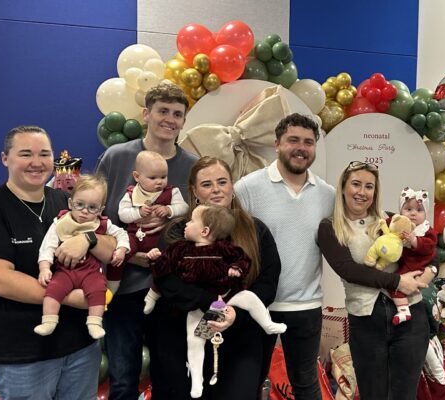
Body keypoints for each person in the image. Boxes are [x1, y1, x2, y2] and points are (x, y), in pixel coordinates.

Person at [0, 125, 116, 399]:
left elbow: (113, 246)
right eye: (25, 154)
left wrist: (89, 239)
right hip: (22, 352)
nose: (36, 162)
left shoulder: (68, 203)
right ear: (5, 158)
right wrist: (67, 297)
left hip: (79, 346)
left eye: (44, 154)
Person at [146, 156, 282, 399]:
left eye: (222, 182)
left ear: (232, 186)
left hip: (241, 336)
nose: (216, 189)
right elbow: (167, 280)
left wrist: (233, 315)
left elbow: (268, 282)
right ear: (195, 192)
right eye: (207, 184)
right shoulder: (180, 230)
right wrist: (213, 307)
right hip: (184, 337)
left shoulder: (255, 229)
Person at [94, 83, 198, 399]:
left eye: (177, 114)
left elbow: (200, 226)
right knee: (123, 378)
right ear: (146, 114)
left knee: (172, 377)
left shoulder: (192, 166)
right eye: (162, 111)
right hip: (123, 286)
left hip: (171, 289)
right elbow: (91, 216)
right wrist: (127, 253)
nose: (170, 119)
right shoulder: (116, 158)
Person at [234, 113, 335, 399]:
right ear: (276, 143)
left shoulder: (327, 195)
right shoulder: (247, 188)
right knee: (248, 383)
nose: (301, 148)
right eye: (293, 140)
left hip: (306, 305)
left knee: (306, 384)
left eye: (308, 142)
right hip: (257, 303)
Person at [317, 161, 430, 399]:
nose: (362, 192)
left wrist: (429, 272)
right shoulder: (330, 228)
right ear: (343, 188)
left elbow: (427, 251)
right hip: (367, 321)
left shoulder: (391, 219)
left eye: (369, 186)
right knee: (373, 393)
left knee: (404, 394)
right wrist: (398, 282)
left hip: (410, 316)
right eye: (356, 184)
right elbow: (349, 270)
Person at [35, 174, 130, 339]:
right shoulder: (60, 222)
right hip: (65, 270)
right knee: (53, 289)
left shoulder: (102, 223)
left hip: (91, 272)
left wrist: (121, 249)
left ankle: (94, 322)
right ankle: (48, 321)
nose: (85, 211)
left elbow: (122, 234)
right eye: (79, 205)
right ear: (70, 203)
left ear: (100, 210)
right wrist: (44, 268)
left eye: (92, 208)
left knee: (99, 289)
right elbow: (47, 247)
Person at [109, 150, 188, 293]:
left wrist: (169, 210)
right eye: (152, 177)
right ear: (137, 176)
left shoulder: (172, 192)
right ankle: (111, 286)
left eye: (163, 177)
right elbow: (122, 214)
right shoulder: (132, 194)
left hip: (160, 239)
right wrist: (137, 213)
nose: (159, 182)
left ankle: (156, 292)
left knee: (170, 261)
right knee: (120, 254)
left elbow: (184, 208)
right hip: (134, 236)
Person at [389, 187, 438, 325]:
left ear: (425, 213)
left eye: (419, 210)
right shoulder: (399, 224)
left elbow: (430, 246)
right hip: (405, 262)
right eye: (408, 209)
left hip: (417, 264)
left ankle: (403, 310)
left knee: (395, 285)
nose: (413, 214)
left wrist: (415, 241)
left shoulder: (426, 230)